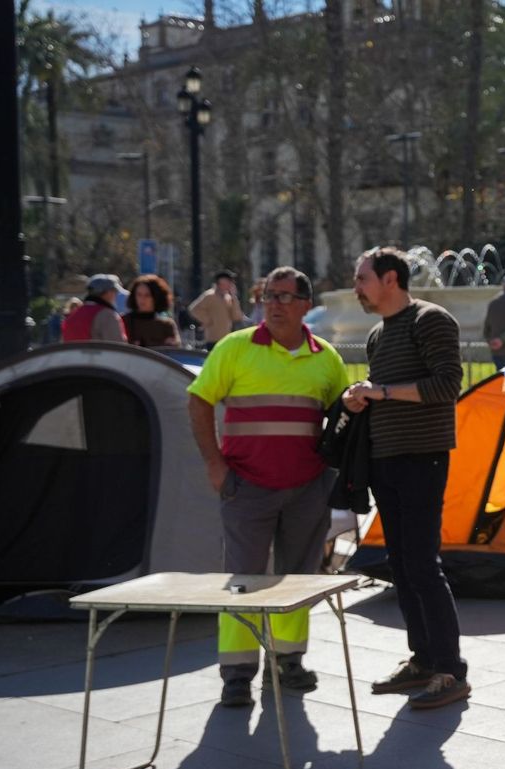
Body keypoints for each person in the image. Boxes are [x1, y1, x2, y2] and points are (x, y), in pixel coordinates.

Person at [186, 266, 348, 708]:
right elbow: (198, 400)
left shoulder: (327, 359)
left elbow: (341, 422)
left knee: (297, 581)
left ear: (304, 306)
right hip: (247, 488)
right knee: (242, 583)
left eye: (283, 296)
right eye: (268, 296)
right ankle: (237, 675)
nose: (273, 304)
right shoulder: (235, 348)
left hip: (308, 490)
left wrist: (333, 479)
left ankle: (286, 665)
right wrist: (214, 466)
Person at [342, 246, 471, 710]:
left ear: (390, 279)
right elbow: (386, 393)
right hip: (385, 460)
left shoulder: (430, 320)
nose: (357, 287)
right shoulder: (379, 334)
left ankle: (450, 670)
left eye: (362, 278)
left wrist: (380, 392)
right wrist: (357, 399)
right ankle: (421, 660)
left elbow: (446, 385)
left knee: (421, 564)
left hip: (422, 458)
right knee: (399, 565)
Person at [62, 275, 129, 343]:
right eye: (114, 291)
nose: (115, 295)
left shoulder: (72, 316)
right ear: (109, 293)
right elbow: (118, 347)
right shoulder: (108, 315)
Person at [122, 274, 182, 348]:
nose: (142, 299)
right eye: (139, 294)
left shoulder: (166, 325)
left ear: (156, 297)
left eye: (147, 295)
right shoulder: (124, 321)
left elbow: (174, 350)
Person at [188, 270, 244, 347]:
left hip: (226, 338)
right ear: (221, 281)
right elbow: (194, 309)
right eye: (229, 280)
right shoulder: (209, 296)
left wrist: (234, 297)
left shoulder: (229, 298)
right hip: (212, 339)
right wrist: (208, 320)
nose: (231, 283)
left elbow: (236, 317)